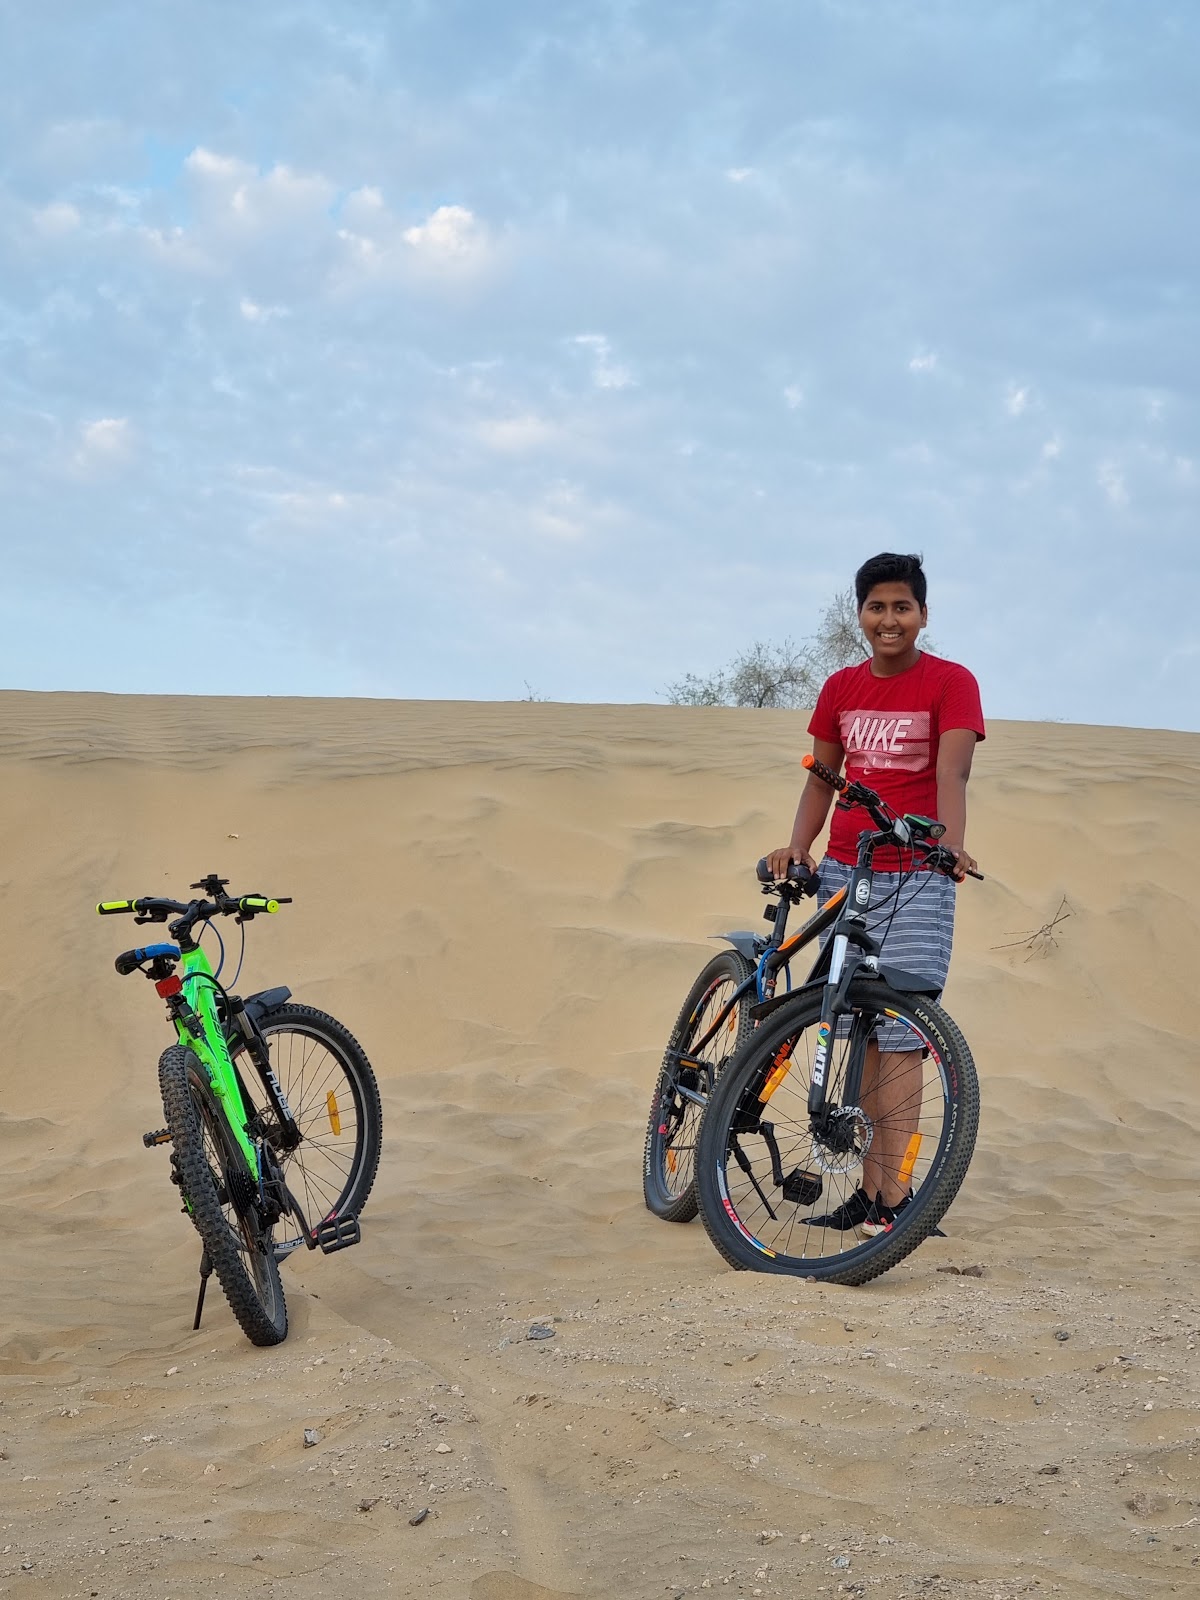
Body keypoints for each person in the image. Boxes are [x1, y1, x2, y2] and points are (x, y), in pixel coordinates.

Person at [764, 551, 984, 1235]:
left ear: (922, 615)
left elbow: (953, 771)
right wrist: (799, 845)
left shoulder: (951, 682)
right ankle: (867, 1193)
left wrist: (945, 841)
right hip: (844, 872)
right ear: (859, 614)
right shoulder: (839, 687)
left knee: (904, 1032)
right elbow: (821, 778)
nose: (889, 620)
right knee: (853, 1025)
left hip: (916, 874)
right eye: (876, 607)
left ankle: (895, 1196)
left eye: (902, 607)